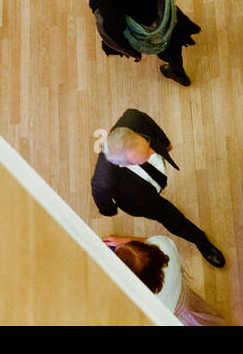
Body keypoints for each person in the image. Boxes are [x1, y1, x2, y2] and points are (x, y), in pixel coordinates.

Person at [91, 109, 225, 268]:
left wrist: (165, 144)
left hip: (148, 181)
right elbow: (107, 208)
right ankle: (201, 241)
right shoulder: (102, 184)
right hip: (140, 199)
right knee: (172, 218)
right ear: (122, 165)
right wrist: (113, 209)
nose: (153, 152)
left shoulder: (132, 119)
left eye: (147, 145)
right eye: (145, 156)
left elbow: (151, 126)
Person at [103, 235, 225, 325]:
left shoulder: (138, 300)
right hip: (185, 299)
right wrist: (127, 240)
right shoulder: (164, 247)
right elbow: (149, 242)